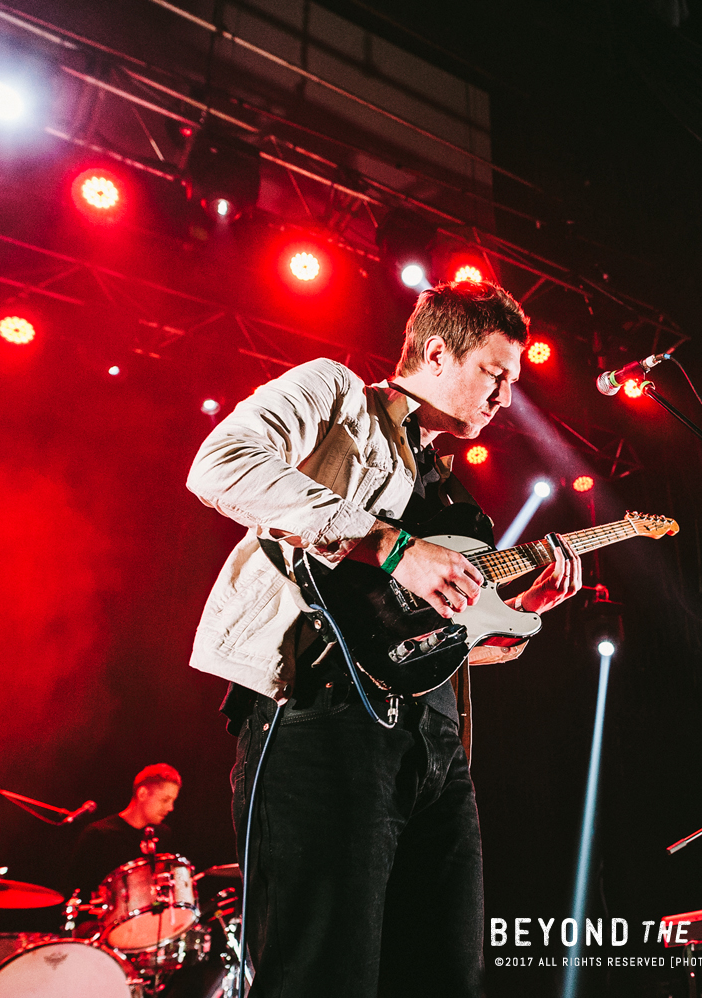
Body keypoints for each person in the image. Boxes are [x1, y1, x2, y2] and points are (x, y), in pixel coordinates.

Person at [185, 280, 582, 997]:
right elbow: (220, 463)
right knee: (322, 976)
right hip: (319, 717)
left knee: (444, 977)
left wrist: (515, 613)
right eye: (495, 375)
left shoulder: (452, 491)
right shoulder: (335, 394)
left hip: (432, 750)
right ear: (436, 352)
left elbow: (416, 646)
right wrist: (392, 546)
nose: (503, 399)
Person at [64, 763, 182, 897]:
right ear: (142, 794)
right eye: (165, 800)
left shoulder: (163, 834)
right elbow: (74, 889)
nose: (171, 807)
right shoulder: (99, 834)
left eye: (173, 801)